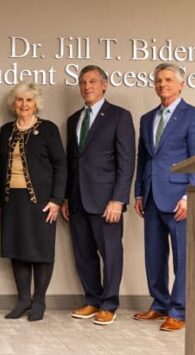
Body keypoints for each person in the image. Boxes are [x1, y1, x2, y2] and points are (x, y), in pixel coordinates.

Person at [133, 63, 195, 331]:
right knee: (154, 255)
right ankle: (159, 304)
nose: (162, 84)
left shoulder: (194, 116)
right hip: (152, 196)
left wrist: (190, 196)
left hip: (180, 198)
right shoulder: (146, 118)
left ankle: (179, 310)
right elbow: (144, 159)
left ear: (180, 84)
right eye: (158, 80)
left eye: (168, 80)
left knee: (181, 257)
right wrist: (139, 192)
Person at [62, 65, 135, 326]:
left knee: (111, 253)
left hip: (106, 201)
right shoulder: (74, 120)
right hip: (79, 199)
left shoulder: (119, 116)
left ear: (104, 85)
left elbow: (126, 162)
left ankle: (109, 304)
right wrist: (68, 198)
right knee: (84, 253)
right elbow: (73, 162)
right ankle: (92, 300)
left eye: (92, 81)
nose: (87, 86)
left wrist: (119, 199)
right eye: (82, 82)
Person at [0, 81, 66, 321]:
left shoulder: (48, 129)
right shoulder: (6, 131)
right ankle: (23, 299)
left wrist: (56, 199)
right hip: (11, 200)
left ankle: (39, 301)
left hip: (41, 201)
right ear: (13, 104)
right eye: (20, 100)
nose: (24, 104)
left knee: (41, 250)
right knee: (18, 249)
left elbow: (61, 165)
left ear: (36, 104)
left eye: (29, 100)